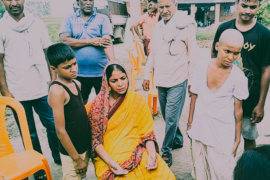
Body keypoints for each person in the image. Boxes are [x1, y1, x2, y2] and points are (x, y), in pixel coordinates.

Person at [0, 0, 60, 179]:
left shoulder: (37, 23)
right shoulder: (1, 27)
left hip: (42, 88)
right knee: (30, 134)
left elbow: (47, 53)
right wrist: (6, 92)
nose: (14, 3)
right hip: (17, 92)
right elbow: (0, 63)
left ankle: (58, 158)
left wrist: (53, 79)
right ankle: (38, 168)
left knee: (53, 126)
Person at [88, 63, 176, 179]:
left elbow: (147, 133)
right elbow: (95, 142)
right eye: (114, 81)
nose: (120, 84)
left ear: (127, 77)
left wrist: (152, 155)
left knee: (166, 176)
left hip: (137, 149)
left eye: (123, 78)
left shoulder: (137, 100)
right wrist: (111, 163)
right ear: (106, 83)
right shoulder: (97, 107)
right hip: (109, 155)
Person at [187, 29, 249, 180]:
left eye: (236, 53)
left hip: (222, 132)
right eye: (227, 51)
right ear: (217, 46)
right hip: (200, 126)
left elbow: (238, 111)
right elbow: (194, 96)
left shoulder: (238, 76)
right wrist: (190, 123)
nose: (231, 57)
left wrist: (237, 138)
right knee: (200, 169)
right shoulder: (202, 67)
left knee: (223, 172)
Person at [142, 0, 198, 167]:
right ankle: (178, 139)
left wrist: (192, 81)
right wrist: (147, 75)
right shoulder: (158, 27)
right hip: (161, 79)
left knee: (172, 119)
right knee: (168, 117)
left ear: (176, 5)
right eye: (161, 6)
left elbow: (193, 55)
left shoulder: (186, 25)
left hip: (178, 79)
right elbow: (153, 54)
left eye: (168, 6)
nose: (165, 10)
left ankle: (166, 150)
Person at [211, 0, 270, 151]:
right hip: (224, 97)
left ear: (259, 6)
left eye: (253, 7)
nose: (248, 11)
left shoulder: (264, 34)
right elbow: (213, 58)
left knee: (249, 137)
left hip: (250, 98)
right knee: (221, 136)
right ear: (236, 3)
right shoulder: (224, 28)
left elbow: (266, 70)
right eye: (244, 5)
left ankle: (247, 170)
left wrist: (261, 104)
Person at [47, 43, 92, 180]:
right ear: (53, 69)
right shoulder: (57, 91)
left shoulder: (76, 83)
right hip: (71, 152)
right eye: (67, 67)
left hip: (84, 145)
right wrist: (77, 159)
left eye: (74, 64)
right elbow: (60, 131)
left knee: (81, 176)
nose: (74, 69)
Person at [60, 0, 115, 105]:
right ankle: (84, 121)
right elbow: (65, 40)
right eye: (85, 0)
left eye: (91, 0)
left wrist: (113, 63)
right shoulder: (69, 18)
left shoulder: (103, 18)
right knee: (80, 104)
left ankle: (102, 121)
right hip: (77, 73)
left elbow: (106, 42)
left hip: (101, 73)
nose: (88, 3)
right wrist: (90, 41)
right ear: (77, 2)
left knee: (104, 104)